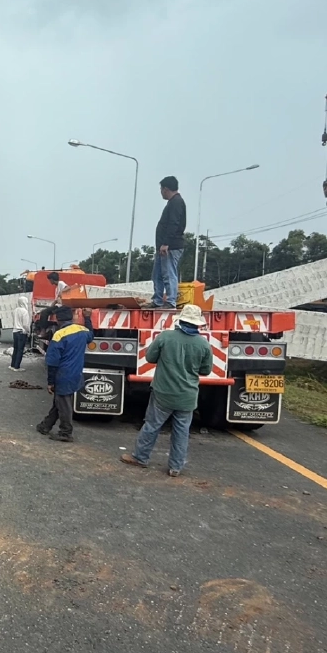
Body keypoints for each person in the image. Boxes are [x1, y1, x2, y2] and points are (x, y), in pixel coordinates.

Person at [121, 304, 213, 477]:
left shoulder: (166, 337)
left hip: (163, 393)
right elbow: (206, 370)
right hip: (187, 396)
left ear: (181, 320)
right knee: (181, 431)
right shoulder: (203, 344)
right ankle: (175, 467)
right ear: (197, 324)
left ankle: (141, 457)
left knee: (152, 425)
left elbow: (149, 357)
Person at [36, 306, 94, 442]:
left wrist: (50, 382)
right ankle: (46, 426)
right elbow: (91, 335)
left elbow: (52, 362)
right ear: (72, 317)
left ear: (58, 320)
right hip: (76, 373)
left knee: (64, 403)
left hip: (63, 374)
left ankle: (66, 432)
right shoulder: (82, 330)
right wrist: (87, 318)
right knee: (60, 401)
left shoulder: (59, 335)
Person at [149, 175, 187, 309]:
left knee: (168, 273)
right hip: (164, 247)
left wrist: (166, 243)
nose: (161, 192)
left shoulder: (176, 202)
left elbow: (173, 224)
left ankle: (171, 301)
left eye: (161, 189)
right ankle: (157, 300)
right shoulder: (173, 203)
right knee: (158, 274)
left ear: (165, 189)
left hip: (171, 246)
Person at [10, 296, 32, 371]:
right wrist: (28, 331)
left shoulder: (15, 310)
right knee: (20, 350)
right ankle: (17, 367)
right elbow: (25, 324)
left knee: (15, 349)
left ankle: (12, 365)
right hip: (22, 332)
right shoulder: (24, 311)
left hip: (15, 331)